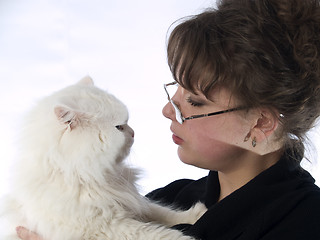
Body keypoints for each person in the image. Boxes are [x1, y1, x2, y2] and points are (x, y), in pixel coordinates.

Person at [16, 0, 320, 239]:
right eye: (176, 89)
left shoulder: (305, 222)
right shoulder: (171, 198)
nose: (167, 110)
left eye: (195, 101)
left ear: (260, 124)